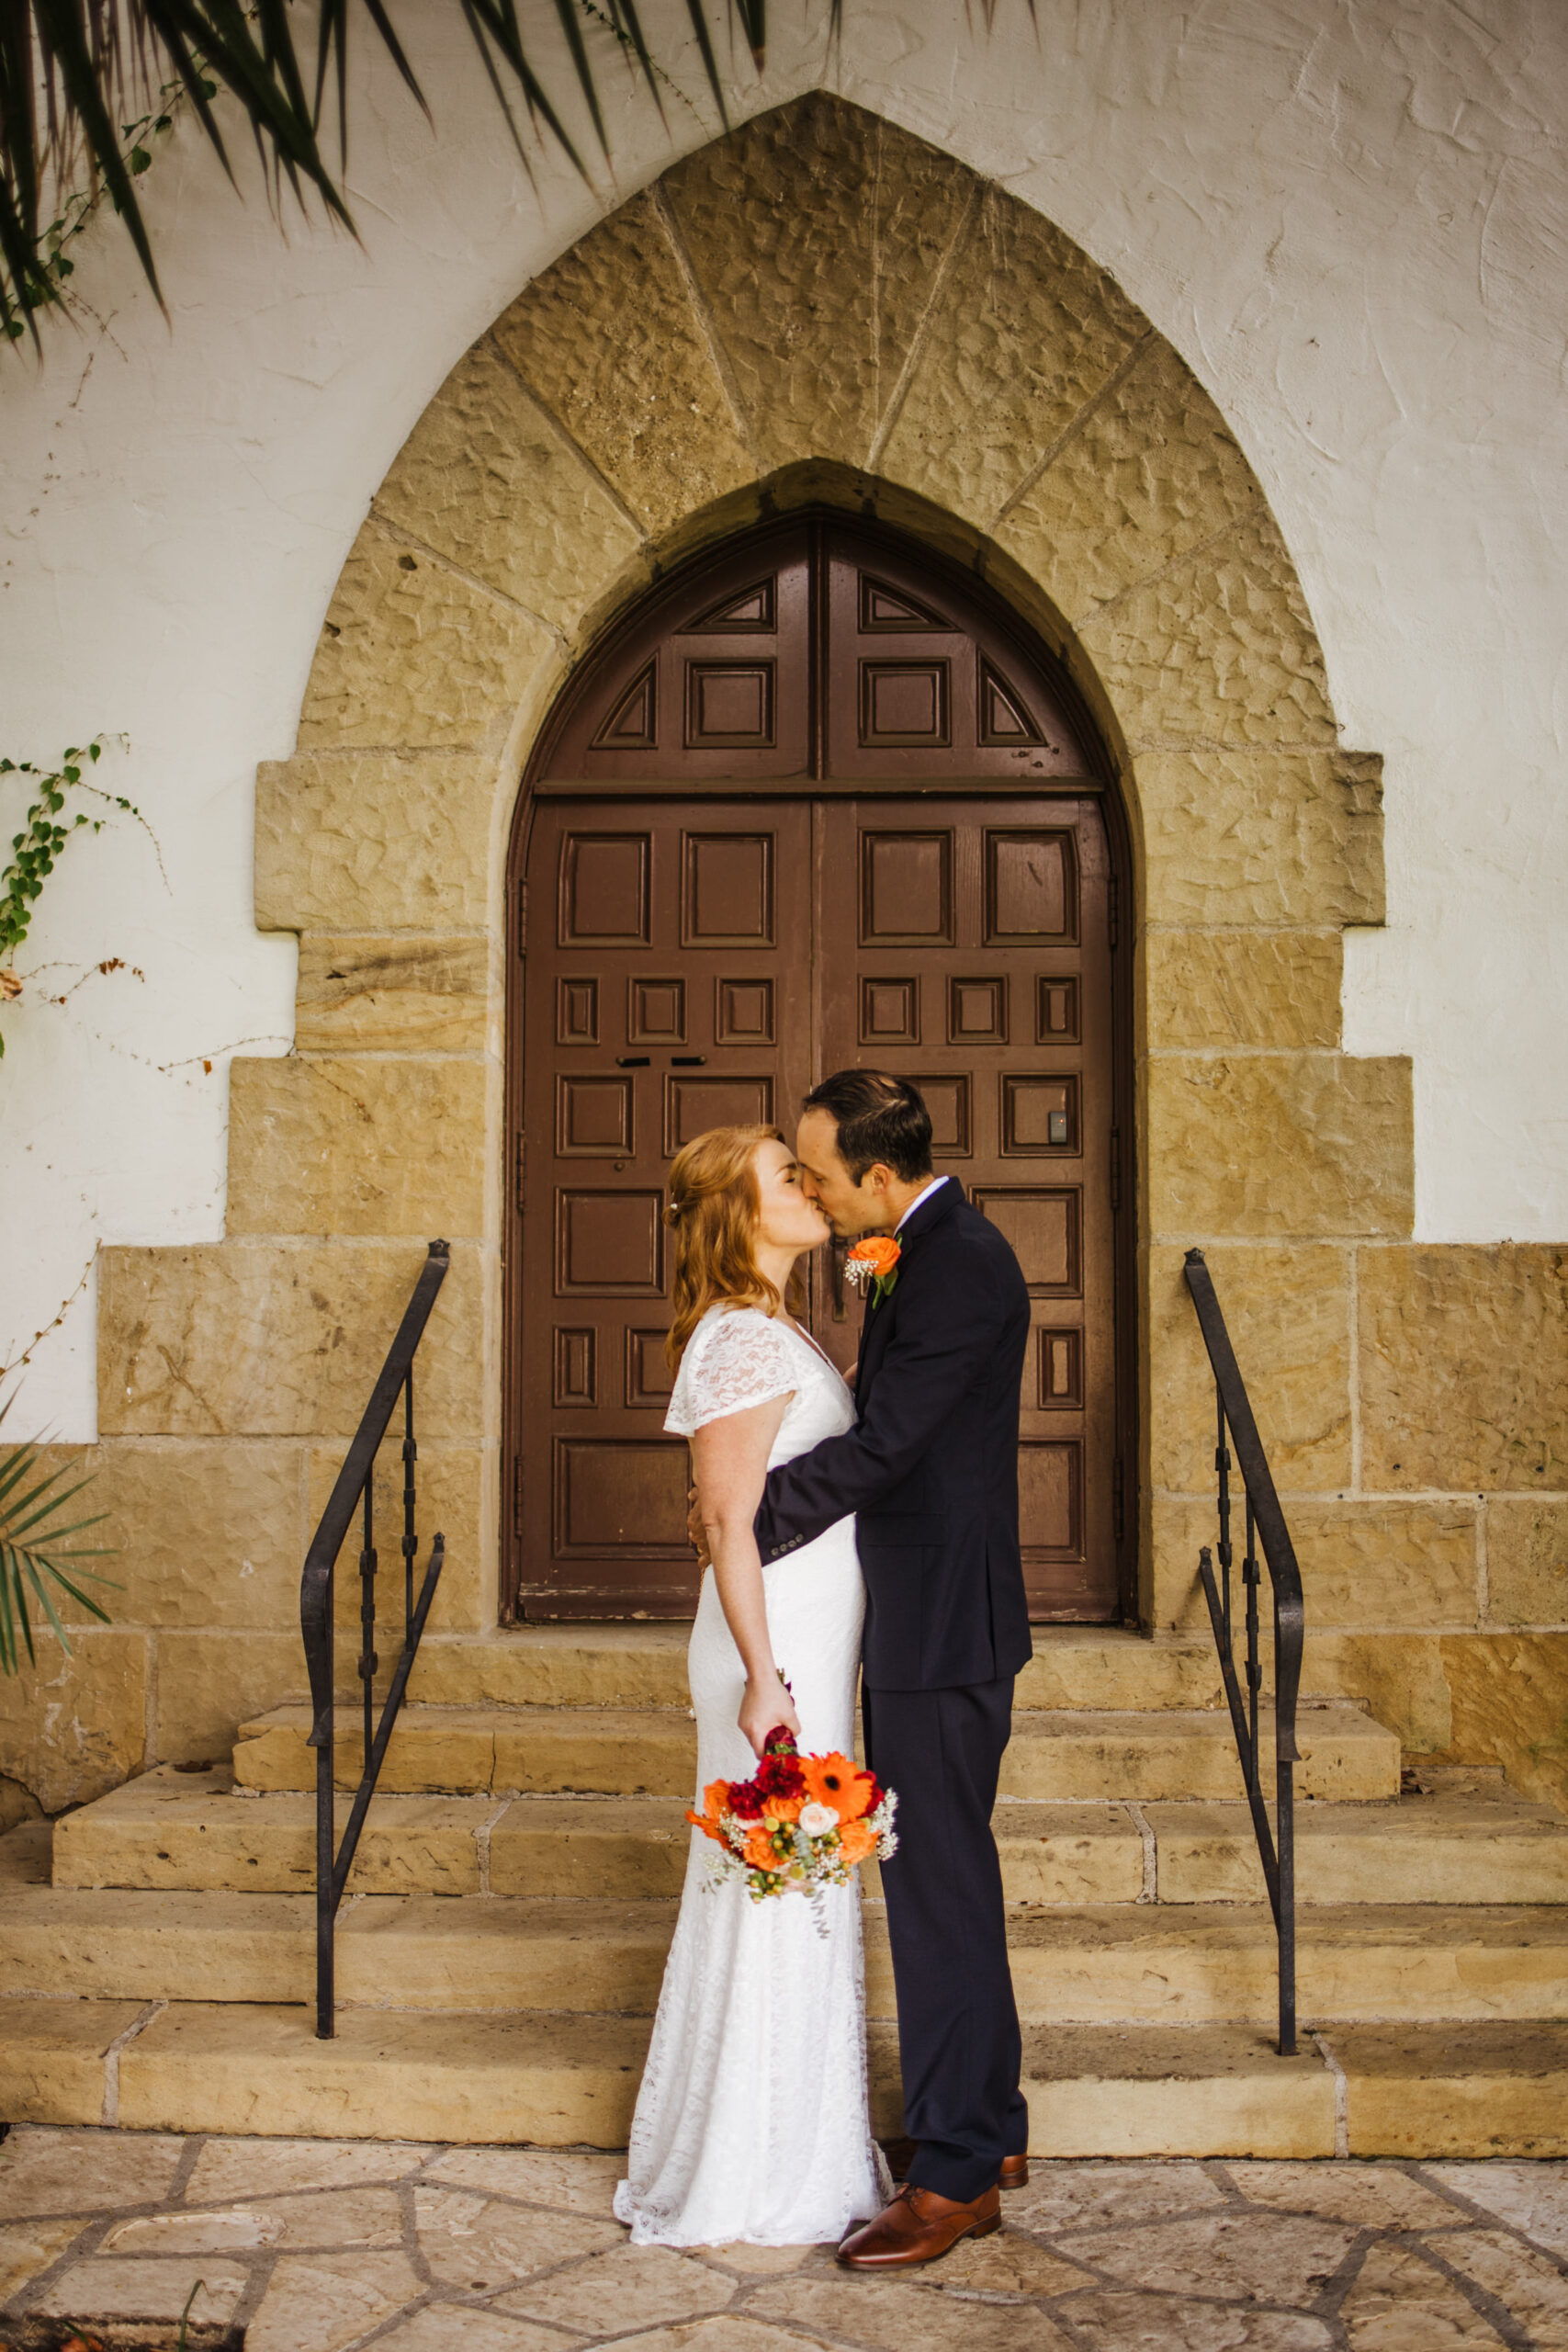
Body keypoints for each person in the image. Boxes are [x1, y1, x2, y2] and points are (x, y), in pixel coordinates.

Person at [755, 1069, 1032, 2270]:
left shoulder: (960, 1263)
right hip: (920, 1611)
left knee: (935, 1889)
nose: (808, 1190)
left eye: (819, 1172)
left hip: (942, 1624)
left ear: (878, 1174)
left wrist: (746, 1518)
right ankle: (993, 2124)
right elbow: (882, 1395)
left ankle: (959, 2172)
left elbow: (886, 1441)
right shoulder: (904, 1247)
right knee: (947, 1874)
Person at [614, 1123, 889, 2248]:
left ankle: (799, 2138)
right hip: (769, 1660)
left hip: (805, 1643)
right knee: (779, 1882)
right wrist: (766, 1681)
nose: (812, 1186)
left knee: (802, 1889)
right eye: (789, 1176)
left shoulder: (777, 1331)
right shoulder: (738, 1339)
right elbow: (728, 1516)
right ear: (739, 1214)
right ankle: (755, 2161)